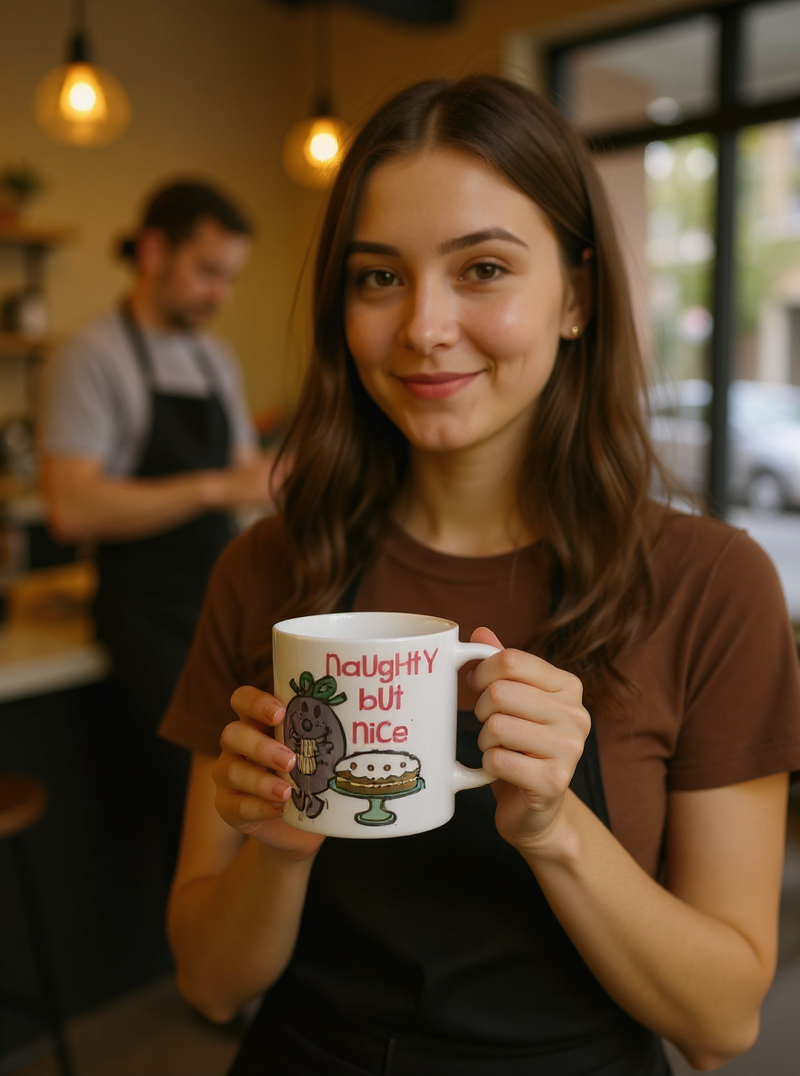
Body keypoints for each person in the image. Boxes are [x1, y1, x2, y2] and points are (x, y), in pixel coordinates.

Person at [158, 77, 800, 1076]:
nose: (421, 326)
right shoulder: (268, 566)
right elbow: (208, 979)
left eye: (483, 268)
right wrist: (280, 845)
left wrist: (554, 829)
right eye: (377, 278)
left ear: (576, 296)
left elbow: (718, 1024)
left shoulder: (710, 585)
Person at [38, 179, 277, 734]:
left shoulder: (214, 358)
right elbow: (70, 508)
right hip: (142, 620)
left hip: (216, 610)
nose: (221, 294)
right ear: (153, 252)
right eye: (207, 271)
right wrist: (213, 487)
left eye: (229, 278)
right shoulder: (90, 356)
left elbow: (245, 477)